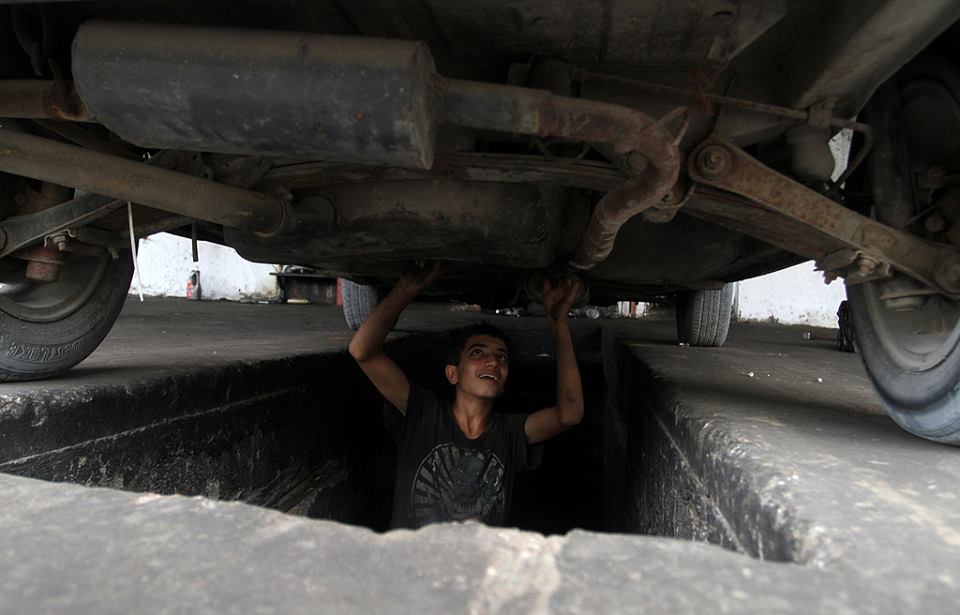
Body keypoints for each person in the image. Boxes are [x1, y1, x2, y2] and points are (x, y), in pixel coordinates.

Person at [348, 261, 585, 529]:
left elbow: (569, 414)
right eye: (477, 353)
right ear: (453, 374)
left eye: (502, 357)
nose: (493, 362)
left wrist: (559, 322)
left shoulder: (509, 433)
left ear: (504, 381)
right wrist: (406, 288)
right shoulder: (424, 413)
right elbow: (362, 351)